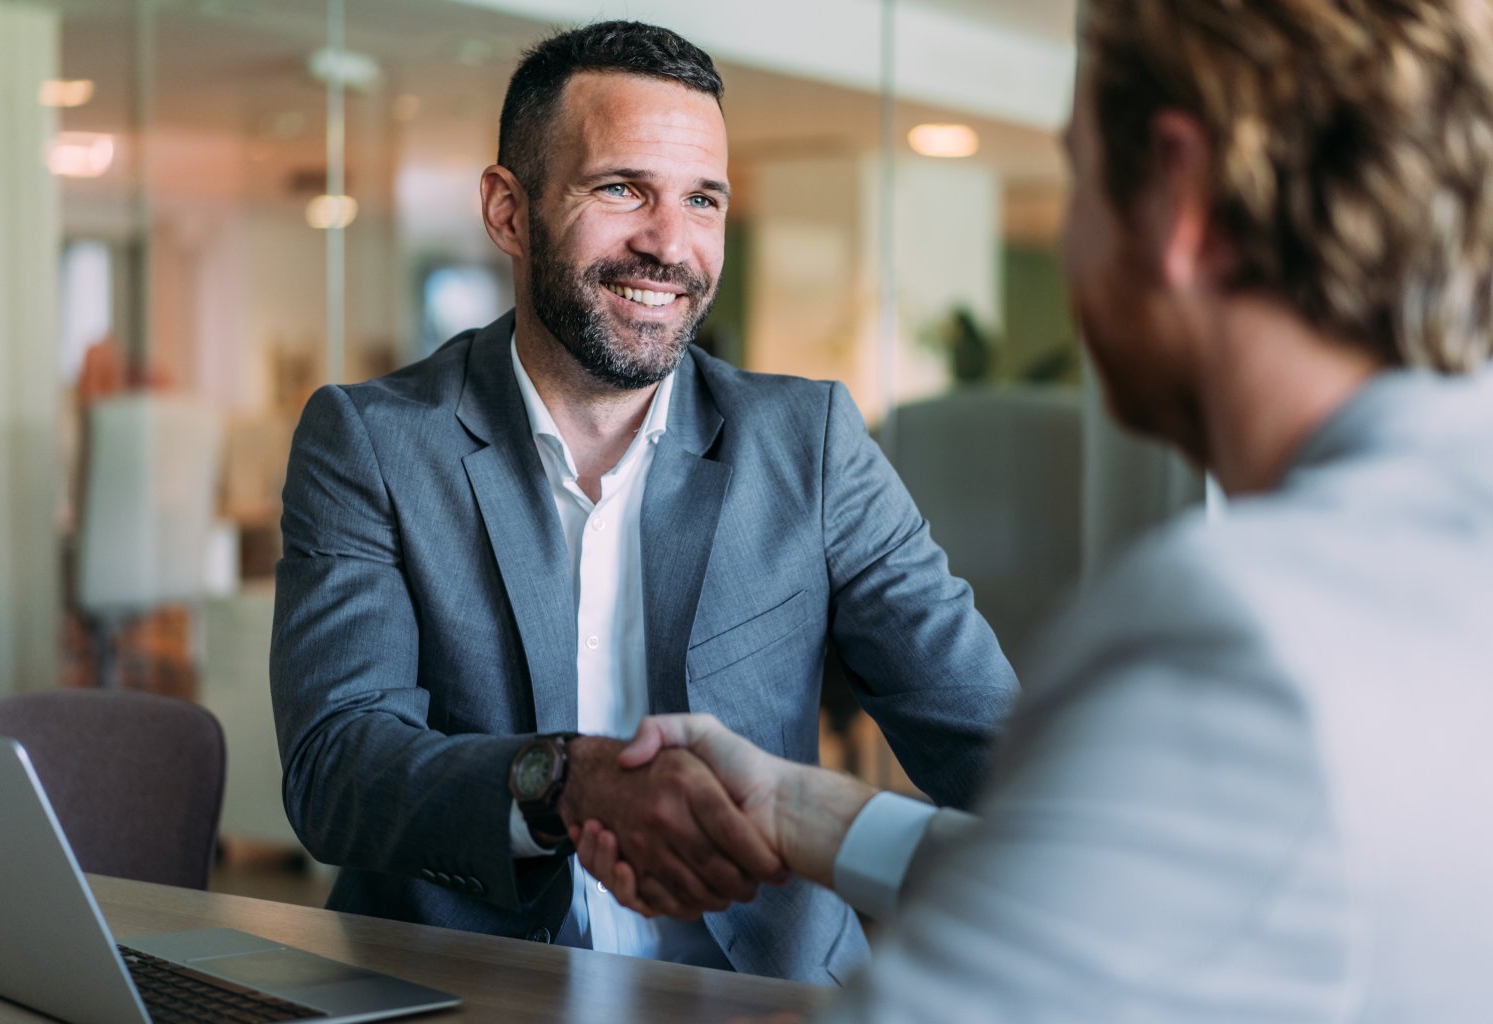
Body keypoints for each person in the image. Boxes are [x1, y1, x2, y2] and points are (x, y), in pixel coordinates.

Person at [575, 0, 1493, 1018]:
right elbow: (1141, 888)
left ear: (1179, 197)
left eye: (1078, 175)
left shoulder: (1235, 624)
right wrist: (805, 806)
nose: (1067, 238)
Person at [268, 20, 1017, 985]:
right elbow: (337, 766)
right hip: (471, 993)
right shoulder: (369, 442)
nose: (670, 245)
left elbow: (993, 747)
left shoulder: (813, 446)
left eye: (702, 200)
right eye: (622, 188)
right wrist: (566, 785)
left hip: (763, 999)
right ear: (507, 210)